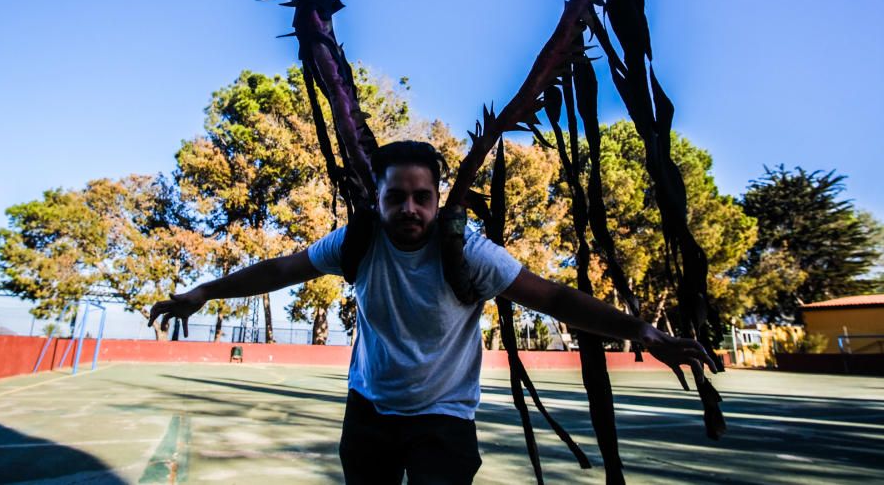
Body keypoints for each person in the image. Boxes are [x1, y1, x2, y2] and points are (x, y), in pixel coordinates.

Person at [148, 140, 716, 484]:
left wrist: (640, 329)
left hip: (443, 419)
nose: (410, 208)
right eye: (396, 196)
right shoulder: (357, 243)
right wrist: (205, 291)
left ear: (438, 199)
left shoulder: (469, 252)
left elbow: (557, 299)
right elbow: (278, 270)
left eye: (422, 196)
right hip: (369, 412)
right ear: (379, 198)